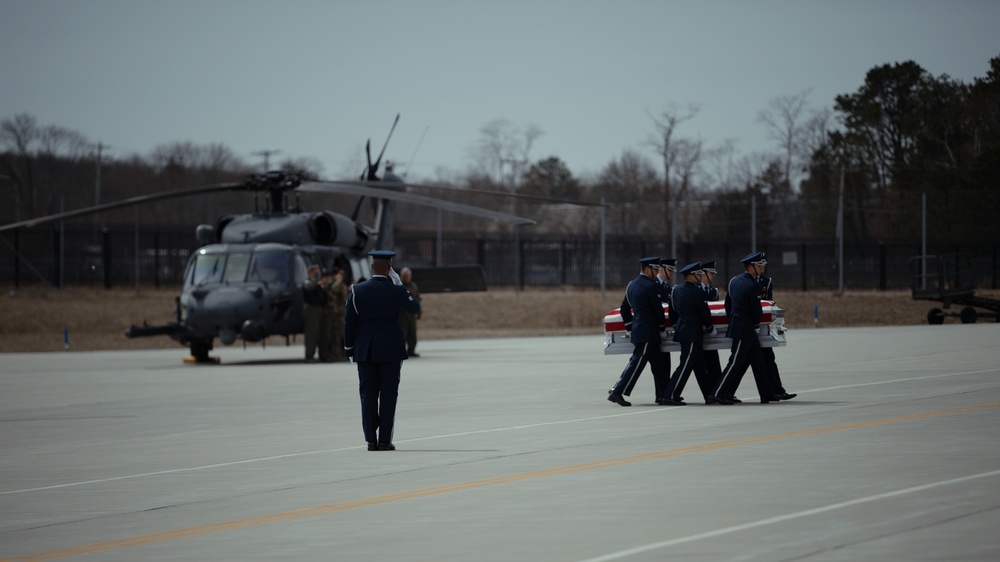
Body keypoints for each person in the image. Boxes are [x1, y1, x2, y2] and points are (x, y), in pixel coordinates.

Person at [344, 250, 421, 451]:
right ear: (390, 269)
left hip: (365, 349)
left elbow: (349, 322)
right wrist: (401, 286)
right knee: (388, 394)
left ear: (372, 267)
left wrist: (349, 349)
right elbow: (414, 308)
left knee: (368, 394)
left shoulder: (357, 290)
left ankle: (371, 439)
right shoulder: (396, 291)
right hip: (390, 349)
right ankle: (385, 440)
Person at [710, 252, 779, 404]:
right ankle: (717, 392)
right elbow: (756, 309)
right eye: (760, 265)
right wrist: (755, 325)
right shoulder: (753, 284)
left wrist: (734, 320)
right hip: (745, 330)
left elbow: (727, 304)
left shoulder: (734, 281)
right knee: (735, 362)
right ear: (752, 267)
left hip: (740, 327)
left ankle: (766, 394)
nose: (763, 268)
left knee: (759, 362)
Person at [607, 256, 669, 407]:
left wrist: (630, 326)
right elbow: (657, 309)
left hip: (641, 330)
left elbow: (624, 308)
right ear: (648, 269)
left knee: (660, 364)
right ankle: (617, 391)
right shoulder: (650, 286)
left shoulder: (632, 285)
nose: (657, 272)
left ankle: (663, 395)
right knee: (637, 362)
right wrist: (662, 327)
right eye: (655, 269)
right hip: (648, 332)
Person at [661, 262, 717, 405]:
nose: (700, 276)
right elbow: (705, 313)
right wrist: (710, 328)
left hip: (683, 331)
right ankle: (670, 395)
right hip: (692, 333)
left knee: (699, 366)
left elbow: (672, 311)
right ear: (691, 276)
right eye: (698, 274)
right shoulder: (698, 292)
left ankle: (709, 395)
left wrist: (677, 325)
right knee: (685, 366)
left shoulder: (676, 290)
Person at [756, 259, 797, 401]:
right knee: (742, 365)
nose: (764, 266)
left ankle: (777, 391)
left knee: (769, 359)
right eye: (762, 264)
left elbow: (769, 302)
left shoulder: (766, 281)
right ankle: (724, 393)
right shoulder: (744, 282)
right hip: (750, 329)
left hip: (763, 326)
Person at [699, 260, 726, 400]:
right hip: (698, 333)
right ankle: (708, 394)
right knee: (701, 366)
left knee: (714, 364)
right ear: (703, 274)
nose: (714, 276)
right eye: (711, 273)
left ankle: (717, 392)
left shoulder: (713, 291)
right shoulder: (694, 289)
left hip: (710, 334)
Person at [302, 264, 330, 362]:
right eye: (315, 272)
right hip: (311, 309)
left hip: (319, 308)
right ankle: (309, 355)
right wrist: (315, 278)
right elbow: (309, 288)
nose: (317, 274)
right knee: (311, 333)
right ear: (310, 273)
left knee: (321, 333)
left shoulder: (317, 283)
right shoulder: (307, 282)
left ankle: (323, 355)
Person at [326, 267, 349, 362]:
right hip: (337, 313)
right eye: (340, 274)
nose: (341, 276)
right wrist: (338, 281)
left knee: (341, 334)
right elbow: (333, 290)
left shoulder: (343, 285)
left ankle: (340, 354)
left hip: (343, 312)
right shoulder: (335, 284)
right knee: (335, 335)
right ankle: (335, 355)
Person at [398, 267, 421, 357]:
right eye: (405, 276)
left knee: (412, 332)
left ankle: (411, 350)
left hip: (411, 314)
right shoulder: (398, 285)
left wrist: (419, 311)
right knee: (402, 333)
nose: (407, 278)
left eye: (408, 276)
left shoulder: (413, 286)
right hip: (402, 314)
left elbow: (418, 299)